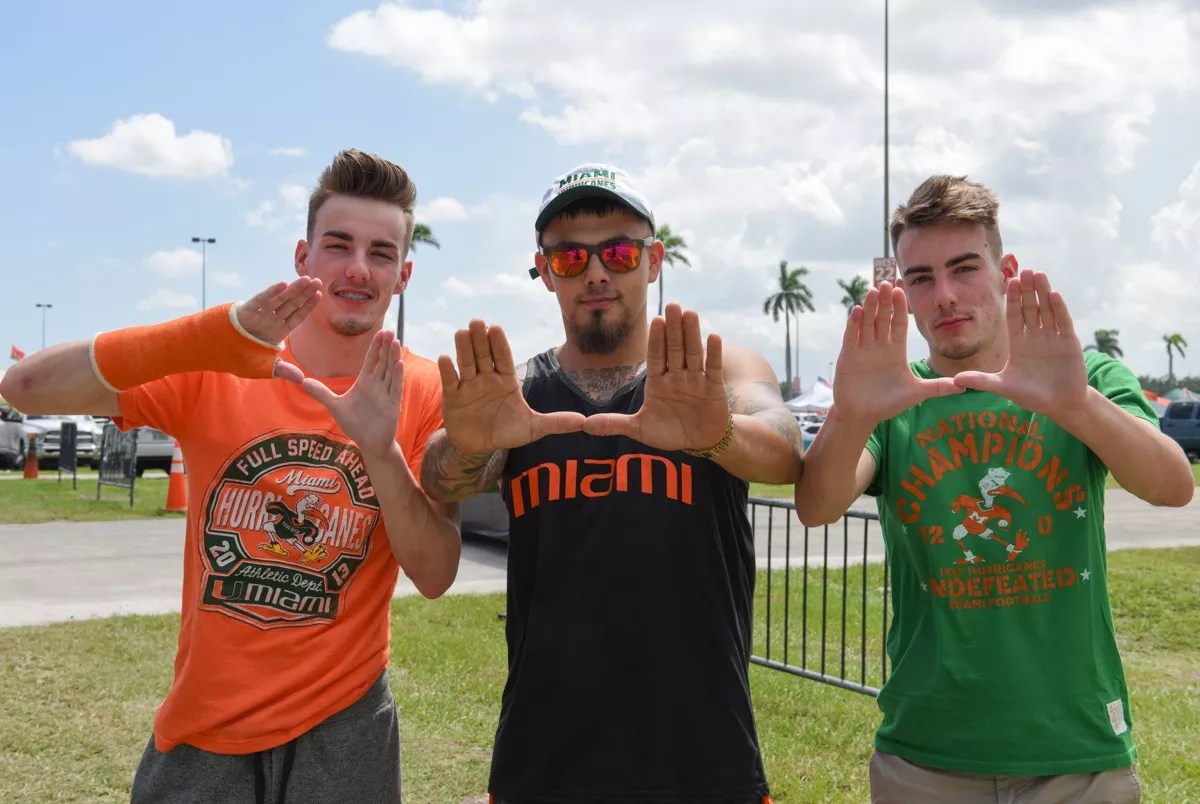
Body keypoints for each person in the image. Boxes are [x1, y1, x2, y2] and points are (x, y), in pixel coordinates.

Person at [0, 149, 461, 803]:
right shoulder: (219, 363)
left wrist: (381, 451)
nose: (358, 268)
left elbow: (438, 573)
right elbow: (24, 387)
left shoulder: (419, 389)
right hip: (206, 728)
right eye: (338, 245)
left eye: (381, 252)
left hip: (347, 723)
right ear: (302, 258)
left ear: (404, 273)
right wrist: (212, 336)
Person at [793, 174, 1195, 803]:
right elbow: (818, 506)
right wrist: (850, 415)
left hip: (1077, 752)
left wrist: (1075, 404)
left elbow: (1172, 485)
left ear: (1006, 269)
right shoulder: (897, 398)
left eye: (964, 267)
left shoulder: (1083, 376)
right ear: (903, 290)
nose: (945, 296)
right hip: (927, 757)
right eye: (921, 277)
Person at [420, 162, 804, 803]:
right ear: (544, 273)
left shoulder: (715, 372)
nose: (596, 272)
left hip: (704, 759)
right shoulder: (521, 395)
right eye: (569, 259)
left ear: (653, 262)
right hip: (544, 762)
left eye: (619, 251)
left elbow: (787, 452)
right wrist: (470, 443)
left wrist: (715, 434)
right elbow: (445, 477)